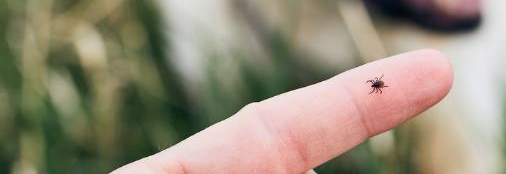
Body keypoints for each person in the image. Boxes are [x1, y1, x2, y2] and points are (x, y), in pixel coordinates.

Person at [113, 50, 453, 174]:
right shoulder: (375, 84)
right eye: (377, 84)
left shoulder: (376, 84)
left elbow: (375, 85)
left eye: (377, 84)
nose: (378, 84)